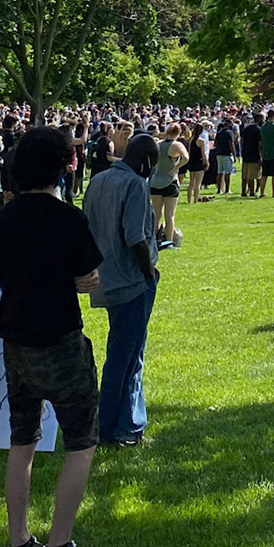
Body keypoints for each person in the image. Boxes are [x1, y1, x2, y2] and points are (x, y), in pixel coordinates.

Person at [0, 127, 110, 547]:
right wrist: (86, 282)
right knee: (81, 441)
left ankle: (19, 540)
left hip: (16, 340)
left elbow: (4, 267)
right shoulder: (67, 218)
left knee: (22, 441)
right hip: (59, 338)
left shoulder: (5, 216)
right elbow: (86, 276)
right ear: (64, 166)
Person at [83, 133, 159, 447]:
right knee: (126, 356)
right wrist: (149, 274)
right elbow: (135, 237)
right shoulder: (136, 185)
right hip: (131, 281)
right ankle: (116, 427)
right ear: (146, 161)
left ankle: (125, 421)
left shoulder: (98, 180)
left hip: (105, 277)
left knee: (124, 351)